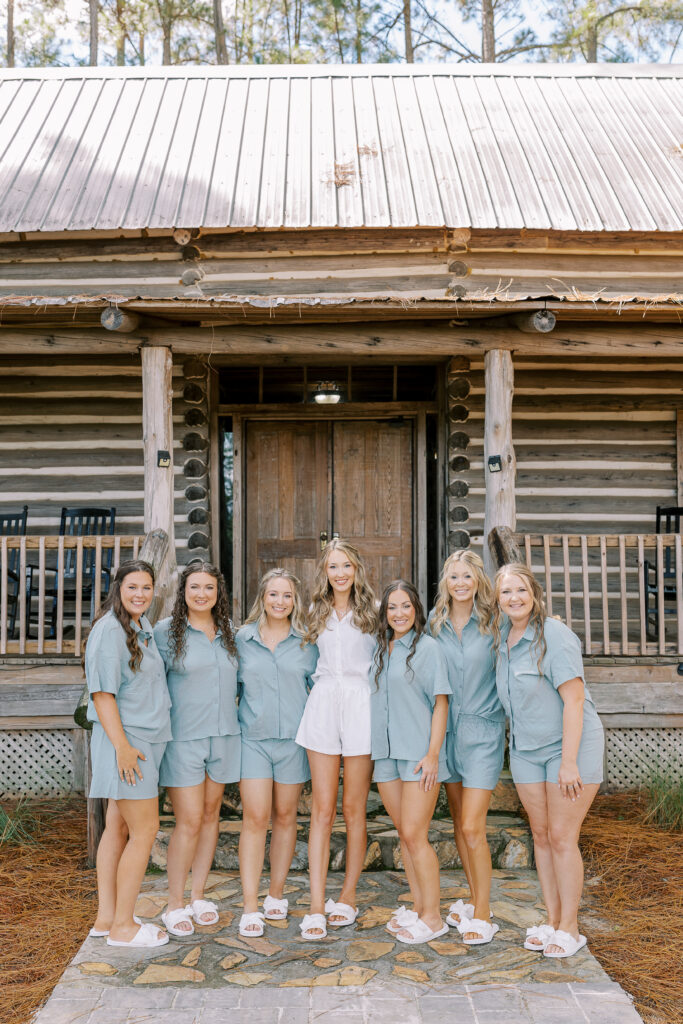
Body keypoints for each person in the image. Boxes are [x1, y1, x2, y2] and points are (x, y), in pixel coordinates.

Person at [493, 562, 605, 959]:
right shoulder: (502, 637)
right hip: (525, 750)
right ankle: (553, 919)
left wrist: (569, 762)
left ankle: (571, 928)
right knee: (540, 836)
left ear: (535, 593)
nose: (514, 598)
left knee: (561, 837)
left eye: (521, 590)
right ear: (498, 599)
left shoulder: (554, 635)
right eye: (506, 592)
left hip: (568, 747)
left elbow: (574, 699)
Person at [295, 539, 377, 940]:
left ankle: (346, 895)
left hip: (362, 705)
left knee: (354, 808)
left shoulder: (375, 613)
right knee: (322, 809)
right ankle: (314, 904)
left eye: (346, 566)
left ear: (357, 569)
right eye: (333, 567)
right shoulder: (314, 612)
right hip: (324, 703)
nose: (340, 573)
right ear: (324, 573)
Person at [85, 560, 171, 948]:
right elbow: (103, 694)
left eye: (146, 588)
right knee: (145, 830)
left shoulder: (139, 627)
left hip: (141, 741)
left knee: (117, 828)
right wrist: (122, 747)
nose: (140, 594)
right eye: (132, 586)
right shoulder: (108, 631)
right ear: (118, 587)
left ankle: (107, 917)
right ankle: (123, 927)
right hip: (129, 746)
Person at [154, 562, 239, 937]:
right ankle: (174, 904)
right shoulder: (165, 633)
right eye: (194, 587)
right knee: (187, 821)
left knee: (209, 816)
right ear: (183, 592)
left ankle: (198, 895)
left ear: (218, 592)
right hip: (184, 739)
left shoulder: (230, 634)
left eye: (208, 587)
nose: (201, 594)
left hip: (223, 736)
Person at [236, 569, 318, 937]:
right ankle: (250, 905)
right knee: (255, 817)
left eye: (287, 595)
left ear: (294, 601)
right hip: (252, 739)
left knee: (286, 816)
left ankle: (275, 894)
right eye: (274, 595)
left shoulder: (306, 643)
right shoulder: (242, 639)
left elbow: (320, 690)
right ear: (263, 598)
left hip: (293, 743)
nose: (280, 602)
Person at [428, 550, 504, 946]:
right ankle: (475, 900)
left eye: (467, 576)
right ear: (446, 582)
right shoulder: (434, 624)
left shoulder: (495, 622)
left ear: (477, 580)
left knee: (474, 825)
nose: (460, 582)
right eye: (453, 576)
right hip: (446, 735)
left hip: (482, 734)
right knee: (459, 824)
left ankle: (484, 913)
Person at [372, 580, 451, 945]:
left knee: (416, 835)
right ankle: (420, 909)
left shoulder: (429, 648)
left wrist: (433, 754)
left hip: (418, 755)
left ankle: (434, 917)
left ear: (416, 609)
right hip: (385, 755)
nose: (399, 614)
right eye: (391, 607)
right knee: (404, 833)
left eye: (405, 606)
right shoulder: (379, 648)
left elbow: (440, 703)